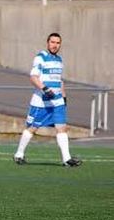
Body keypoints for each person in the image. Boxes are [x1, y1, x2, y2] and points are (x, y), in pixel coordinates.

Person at [13, 33, 82, 167]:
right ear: (47, 43)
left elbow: (59, 80)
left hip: (57, 101)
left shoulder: (59, 60)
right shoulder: (40, 58)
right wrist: (45, 89)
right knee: (32, 128)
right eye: (52, 42)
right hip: (41, 101)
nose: (55, 45)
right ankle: (19, 154)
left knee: (62, 128)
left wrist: (64, 96)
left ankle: (66, 159)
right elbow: (33, 77)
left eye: (57, 43)